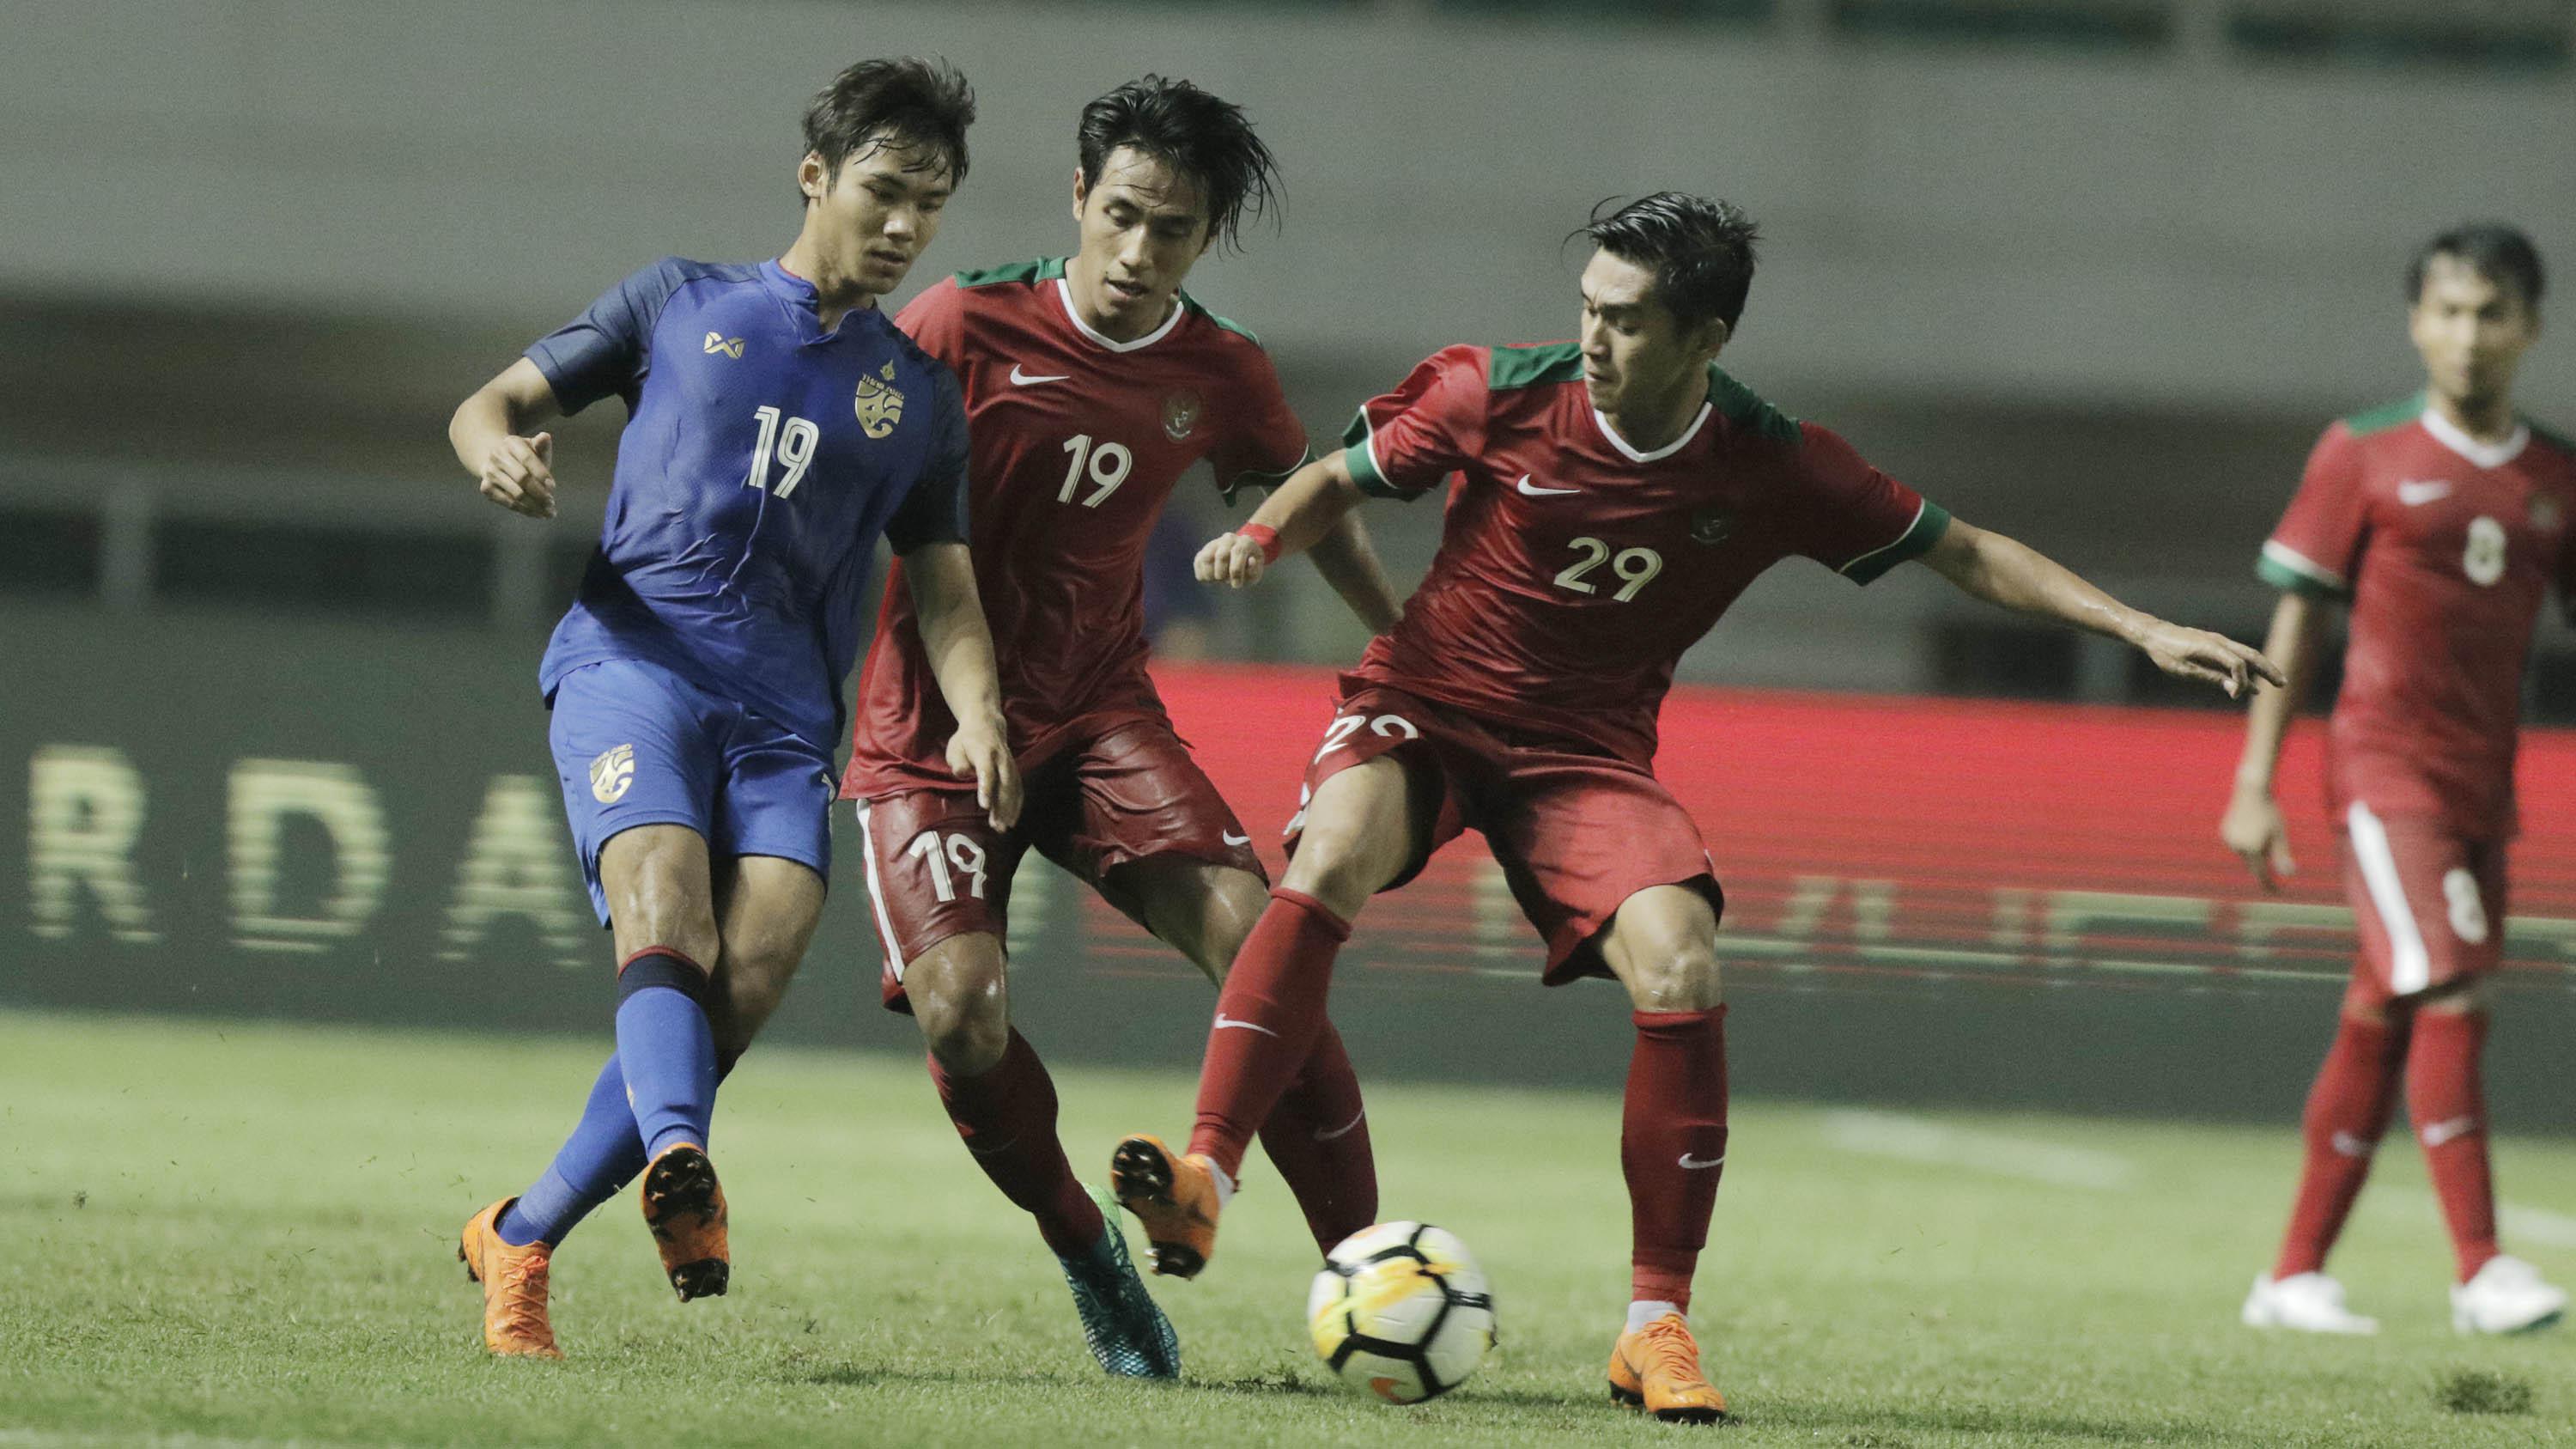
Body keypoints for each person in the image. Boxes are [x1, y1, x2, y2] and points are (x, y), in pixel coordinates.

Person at [1110, 192, 2278, 1423]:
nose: (1593, 339)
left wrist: (2141, 626)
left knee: (1681, 959)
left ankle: (1653, 1327)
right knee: (1332, 851)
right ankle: (1208, 1178)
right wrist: (1257, 536)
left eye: (1624, 321)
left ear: (1704, 338)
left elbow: (1962, 549)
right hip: (1431, 707)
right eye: (1588, 309)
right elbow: (1332, 481)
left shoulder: (1774, 462)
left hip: (1587, 755)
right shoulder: (1493, 391)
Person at [447, 58, 1018, 1360]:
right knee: (666, 908)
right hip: (631, 664)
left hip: (782, 723)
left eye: (929, 206)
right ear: (815, 176)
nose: (904, 227)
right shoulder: (678, 299)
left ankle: (521, 1231)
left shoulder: (919, 398)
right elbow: (498, 404)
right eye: (883, 191)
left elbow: (946, 593)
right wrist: (494, 447)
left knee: (745, 977)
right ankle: (685, 1170)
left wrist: (978, 712)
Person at [840, 76, 1404, 1379]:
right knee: (965, 1014)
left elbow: (1302, 496)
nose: (1143, 255)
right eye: (1127, 217)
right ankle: (1093, 1259)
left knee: (1268, 949)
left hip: (1098, 716)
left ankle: (1371, 1277)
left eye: (1177, 232)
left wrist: (1400, 637)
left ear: (1204, 241)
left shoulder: (1220, 368)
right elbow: (866, 486)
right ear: (1079, 199)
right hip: (930, 733)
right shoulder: (956, 323)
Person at [2226, 222, 2571, 1338]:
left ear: (2530, 327)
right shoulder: (2361, 451)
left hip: (2484, 782)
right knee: (2454, 986)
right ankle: (2482, 1268)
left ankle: (2291, 1277)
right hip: (2383, 768)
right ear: (2418, 321)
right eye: (2449, 312)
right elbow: (2299, 616)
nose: (2469, 337)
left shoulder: (2556, 478)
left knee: (2383, 1009)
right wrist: (2257, 778)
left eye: (2492, 314)